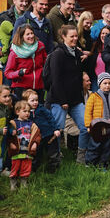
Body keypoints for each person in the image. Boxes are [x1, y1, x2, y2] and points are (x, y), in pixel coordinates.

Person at [45, 25, 89, 164]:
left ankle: (81, 158)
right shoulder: (58, 54)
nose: (75, 39)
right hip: (59, 99)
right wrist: (62, 100)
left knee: (86, 127)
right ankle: (55, 158)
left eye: (76, 36)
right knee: (57, 130)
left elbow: (78, 76)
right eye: (72, 36)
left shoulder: (76, 53)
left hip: (76, 98)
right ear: (63, 37)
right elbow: (55, 79)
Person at [4, 24, 47, 102]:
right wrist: (19, 73)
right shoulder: (15, 52)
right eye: (27, 34)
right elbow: (7, 73)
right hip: (22, 88)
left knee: (38, 112)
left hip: (38, 86)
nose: (31, 36)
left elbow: (46, 63)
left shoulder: (40, 46)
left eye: (32, 33)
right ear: (21, 37)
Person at [84, 72, 110, 167]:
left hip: (109, 127)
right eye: (105, 83)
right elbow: (88, 112)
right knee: (95, 146)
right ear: (99, 84)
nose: (107, 86)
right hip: (97, 127)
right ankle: (90, 163)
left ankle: (103, 164)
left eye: (109, 83)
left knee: (107, 147)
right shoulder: (94, 97)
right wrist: (88, 125)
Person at [22, 89, 61, 173]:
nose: (35, 102)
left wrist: (55, 129)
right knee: (36, 153)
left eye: (36, 100)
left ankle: (53, 170)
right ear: (26, 101)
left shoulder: (41, 109)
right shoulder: (26, 113)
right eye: (32, 100)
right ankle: (33, 170)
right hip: (36, 137)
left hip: (48, 134)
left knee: (52, 153)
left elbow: (50, 118)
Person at [8, 100, 41, 190]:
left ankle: (24, 182)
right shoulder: (13, 123)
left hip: (27, 151)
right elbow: (8, 135)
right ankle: (13, 183)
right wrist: (10, 143)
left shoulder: (32, 124)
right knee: (15, 167)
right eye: (24, 111)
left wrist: (35, 143)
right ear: (17, 112)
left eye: (28, 111)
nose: (27, 113)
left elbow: (37, 135)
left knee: (26, 167)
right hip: (16, 151)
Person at [77, 11, 96, 87]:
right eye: (87, 23)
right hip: (79, 68)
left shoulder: (89, 35)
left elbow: (91, 52)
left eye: (90, 23)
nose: (89, 25)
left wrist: (89, 54)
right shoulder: (75, 34)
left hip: (88, 67)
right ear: (82, 21)